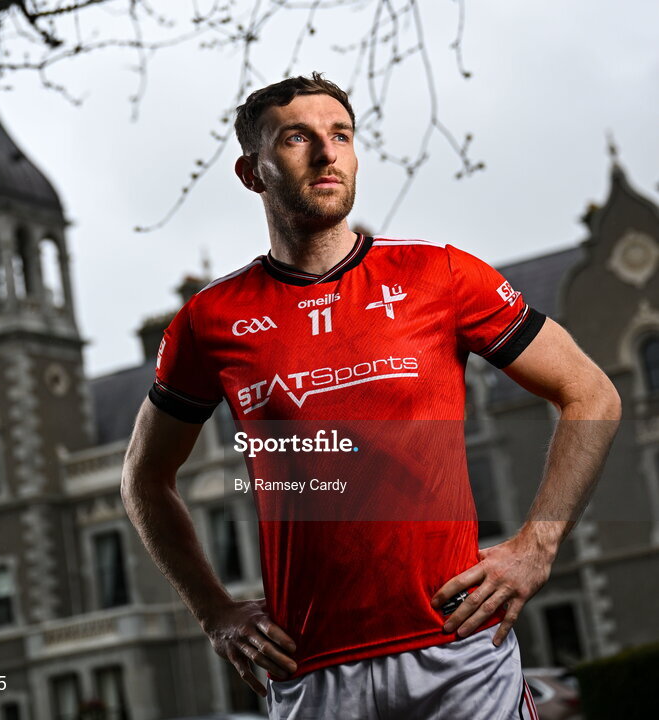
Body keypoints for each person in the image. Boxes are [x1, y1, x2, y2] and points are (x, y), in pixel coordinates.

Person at [121, 73, 621, 719]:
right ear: (252, 172)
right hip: (310, 665)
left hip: (458, 647)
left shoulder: (439, 274)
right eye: (298, 138)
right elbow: (143, 477)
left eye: (341, 135)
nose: (327, 154)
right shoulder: (209, 321)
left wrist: (535, 546)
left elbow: (589, 392)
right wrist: (213, 610)